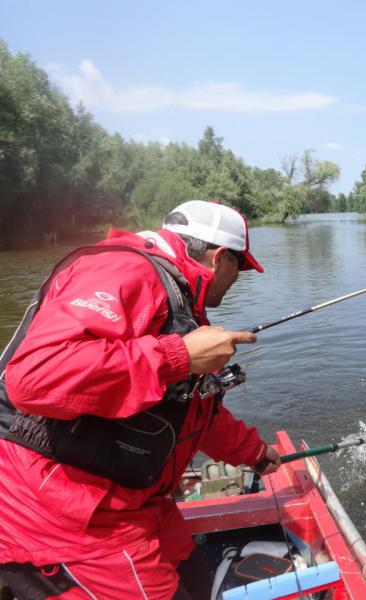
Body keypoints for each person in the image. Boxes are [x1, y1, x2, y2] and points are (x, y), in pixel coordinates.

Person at [0, 200, 281, 599]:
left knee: (198, 584)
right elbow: (34, 376)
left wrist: (254, 452)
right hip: (62, 510)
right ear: (220, 259)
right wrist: (179, 356)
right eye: (241, 267)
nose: (240, 279)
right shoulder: (124, 270)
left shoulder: (182, 303)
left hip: (132, 497)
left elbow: (193, 410)